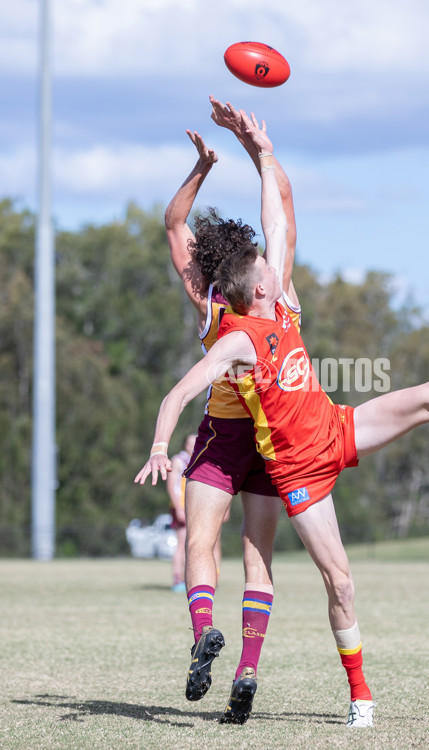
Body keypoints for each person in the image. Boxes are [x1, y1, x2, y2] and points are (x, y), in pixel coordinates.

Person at [136, 111, 429, 729]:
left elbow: (278, 215)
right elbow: (181, 387)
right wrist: (163, 443)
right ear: (258, 289)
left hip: (336, 429)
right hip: (294, 467)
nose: (275, 260)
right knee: (339, 581)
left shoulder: (282, 303)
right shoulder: (232, 334)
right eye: (267, 265)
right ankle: (358, 695)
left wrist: (259, 149)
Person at [161, 96, 299, 724]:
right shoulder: (278, 301)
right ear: (260, 275)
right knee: (257, 558)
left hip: (220, 437)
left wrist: (203, 167)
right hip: (272, 438)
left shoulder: (213, 305)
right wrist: (257, 149)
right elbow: (283, 213)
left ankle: (201, 634)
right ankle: (246, 666)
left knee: (201, 543)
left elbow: (173, 225)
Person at [166, 434, 196, 592]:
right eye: (190, 442)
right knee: (182, 543)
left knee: (191, 544)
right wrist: (178, 508)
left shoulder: (197, 459)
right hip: (182, 506)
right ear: (185, 444)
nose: (193, 445)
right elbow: (171, 486)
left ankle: (188, 578)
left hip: (193, 506)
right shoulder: (178, 460)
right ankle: (178, 579)